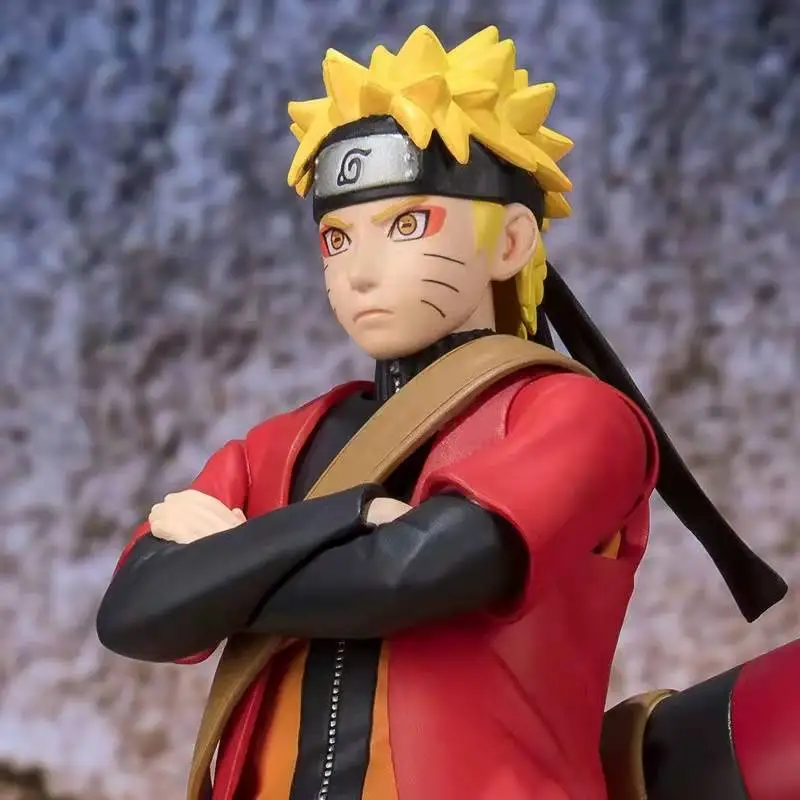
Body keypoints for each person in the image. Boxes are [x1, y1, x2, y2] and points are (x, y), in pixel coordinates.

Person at [96, 26, 785, 800]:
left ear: (510, 241)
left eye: (408, 225)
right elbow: (134, 614)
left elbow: (414, 577)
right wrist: (355, 516)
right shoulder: (277, 446)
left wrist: (225, 559)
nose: (360, 271)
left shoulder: (577, 417)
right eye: (336, 238)